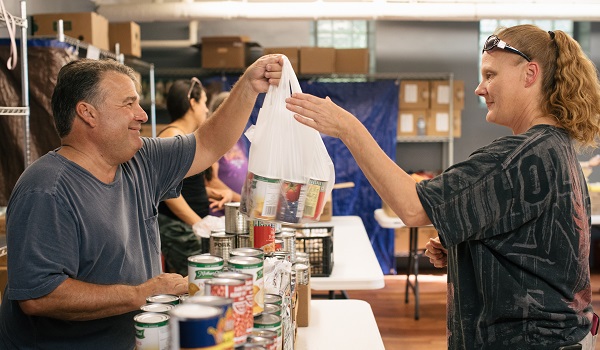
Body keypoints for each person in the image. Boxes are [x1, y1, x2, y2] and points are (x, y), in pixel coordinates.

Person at [285, 24, 600, 349]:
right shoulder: (557, 147)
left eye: (490, 75)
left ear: (530, 73)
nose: (480, 88)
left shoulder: (515, 157)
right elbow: (543, 249)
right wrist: (469, 249)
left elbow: (411, 206)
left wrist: (349, 128)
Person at [0, 55, 282, 349]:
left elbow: (208, 143)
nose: (142, 115)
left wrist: (248, 86)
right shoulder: (47, 190)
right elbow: (39, 297)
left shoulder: (140, 160)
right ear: (87, 113)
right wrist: (141, 293)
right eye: (128, 103)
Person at [157, 78, 215, 275]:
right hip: (181, 231)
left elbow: (181, 184)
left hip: (190, 228)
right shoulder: (172, 137)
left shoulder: (185, 136)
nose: (206, 110)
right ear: (192, 103)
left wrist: (211, 193)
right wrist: (197, 224)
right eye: (204, 102)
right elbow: (166, 191)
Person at [205, 91, 249, 216]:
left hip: (240, 212)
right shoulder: (211, 140)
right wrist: (242, 202)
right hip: (220, 213)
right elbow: (210, 181)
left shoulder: (239, 140)